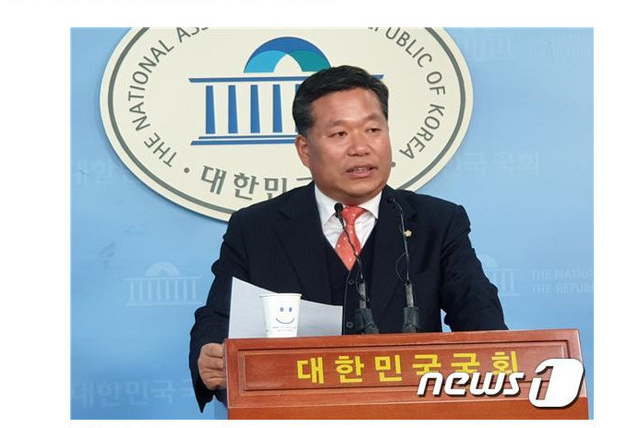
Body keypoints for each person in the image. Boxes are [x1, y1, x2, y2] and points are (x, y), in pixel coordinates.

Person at [189, 65, 507, 411]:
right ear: (305, 150)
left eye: (373, 129)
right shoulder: (255, 228)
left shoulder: (438, 222)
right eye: (339, 134)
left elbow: (483, 323)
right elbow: (218, 318)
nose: (360, 147)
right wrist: (210, 354)